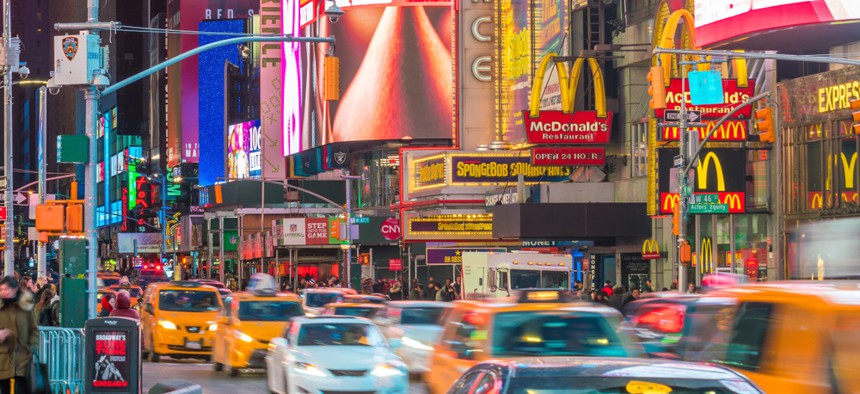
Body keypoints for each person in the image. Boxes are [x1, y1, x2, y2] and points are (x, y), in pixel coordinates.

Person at [0, 276, 39, 394]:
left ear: (15, 289)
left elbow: (34, 330)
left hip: (23, 359)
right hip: (3, 359)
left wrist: (32, 348)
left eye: (6, 289)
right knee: (7, 389)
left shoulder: (26, 307)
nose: (3, 292)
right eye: (1, 290)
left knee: (21, 389)